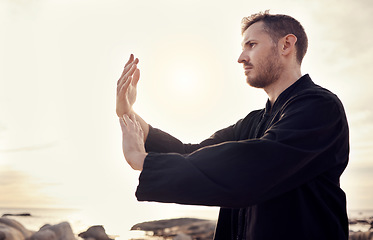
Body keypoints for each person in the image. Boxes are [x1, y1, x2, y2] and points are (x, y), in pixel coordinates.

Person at [116, 11, 349, 240]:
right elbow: (192, 153)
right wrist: (128, 113)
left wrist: (143, 160)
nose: (241, 57)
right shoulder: (253, 121)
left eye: (252, 44)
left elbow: (254, 167)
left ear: (286, 45)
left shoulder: (321, 107)